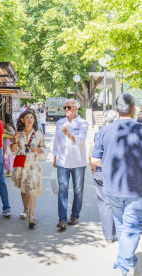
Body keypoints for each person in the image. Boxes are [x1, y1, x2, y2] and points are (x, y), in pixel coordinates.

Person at [91, 94, 142, 276]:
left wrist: (110, 164)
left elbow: (95, 159)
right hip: (136, 188)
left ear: (117, 110)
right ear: (134, 109)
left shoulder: (104, 131)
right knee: (132, 227)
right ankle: (124, 266)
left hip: (112, 186)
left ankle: (126, 260)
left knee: (121, 225)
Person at [8, 110, 49, 228]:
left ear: (34, 120)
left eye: (32, 117)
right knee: (24, 188)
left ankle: (31, 216)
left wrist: (38, 150)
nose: (30, 119)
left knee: (32, 189)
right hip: (21, 164)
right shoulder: (18, 133)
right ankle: (25, 209)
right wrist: (14, 140)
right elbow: (12, 150)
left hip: (34, 165)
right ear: (23, 120)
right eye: (27, 117)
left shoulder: (39, 134)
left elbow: (45, 150)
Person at [52, 99, 89, 230]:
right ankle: (62, 219)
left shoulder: (83, 123)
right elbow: (56, 142)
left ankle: (74, 215)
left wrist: (69, 134)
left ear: (76, 108)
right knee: (63, 190)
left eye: (69, 107)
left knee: (78, 191)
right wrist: (54, 157)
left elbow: (81, 139)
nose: (66, 109)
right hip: (62, 161)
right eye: (65, 107)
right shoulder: (59, 123)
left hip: (78, 162)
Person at [88, 110, 119, 244]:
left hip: (101, 170)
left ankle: (109, 235)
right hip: (118, 172)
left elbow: (91, 155)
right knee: (118, 202)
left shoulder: (98, 134)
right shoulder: (121, 134)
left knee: (104, 203)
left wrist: (92, 168)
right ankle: (119, 232)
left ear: (104, 122)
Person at [3, 113, 15, 177]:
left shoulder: (8, 125)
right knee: (8, 156)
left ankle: (9, 171)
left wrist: (5, 131)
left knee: (8, 156)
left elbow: (13, 133)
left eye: (3, 115)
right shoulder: (7, 124)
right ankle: (9, 171)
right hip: (7, 141)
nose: (2, 116)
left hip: (7, 142)